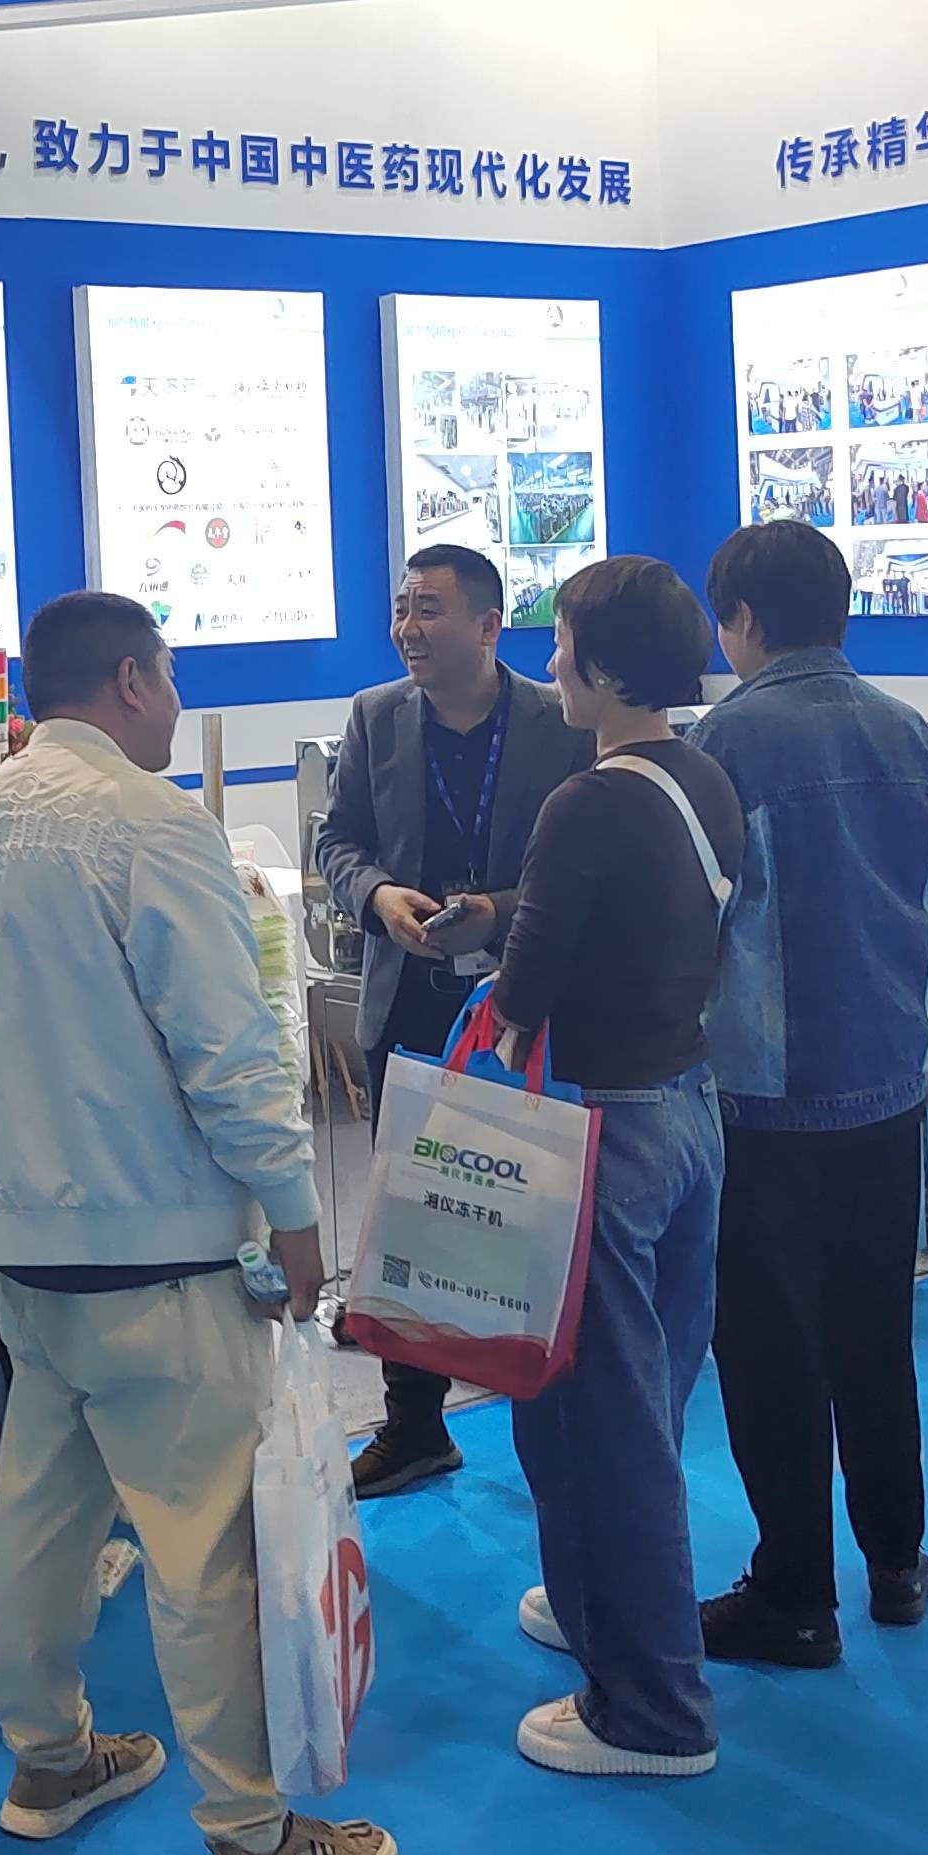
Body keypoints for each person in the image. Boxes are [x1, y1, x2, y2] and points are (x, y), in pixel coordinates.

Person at [0, 590, 393, 1855]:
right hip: (160, 1254)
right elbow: (228, 1052)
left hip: (20, 1257)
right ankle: (253, 1843)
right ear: (128, 681)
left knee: (40, 1520)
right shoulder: (154, 826)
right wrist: (295, 1212)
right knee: (202, 1550)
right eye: (168, 679)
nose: (174, 704)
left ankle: (50, 1760)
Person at [686, 519, 928, 1672]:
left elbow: (702, 921)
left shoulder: (723, 743)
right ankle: (896, 1562)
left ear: (743, 619)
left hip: (762, 1097)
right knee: (875, 1333)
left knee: (768, 1349)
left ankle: (795, 1593)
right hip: (888, 1081)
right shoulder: (912, 734)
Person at [487, 555, 743, 1781]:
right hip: (684, 1110)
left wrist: (497, 968)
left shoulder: (584, 802)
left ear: (598, 663)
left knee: (603, 1425)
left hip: (596, 1132)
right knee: (633, 1405)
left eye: (559, 644)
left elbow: (529, 985)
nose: (548, 667)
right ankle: (601, 1607)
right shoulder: (703, 778)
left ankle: (651, 1708)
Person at [308, 542, 588, 1501]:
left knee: (531, 1209)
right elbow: (338, 839)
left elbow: (579, 868)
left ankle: (548, 1403)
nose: (407, 629)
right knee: (409, 1218)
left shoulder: (558, 722)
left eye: (428, 609)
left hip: (523, 1004)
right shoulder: (376, 716)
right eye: (401, 609)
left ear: (487, 624)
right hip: (412, 1003)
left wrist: (498, 915)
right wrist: (377, 895)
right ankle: (415, 1424)